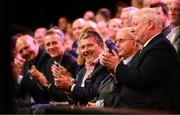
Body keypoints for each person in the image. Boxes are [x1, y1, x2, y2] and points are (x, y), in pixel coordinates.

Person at [99, 8, 178, 110]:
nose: (132, 29)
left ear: (149, 25)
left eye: (135, 24)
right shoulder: (150, 46)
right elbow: (132, 77)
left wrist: (117, 66)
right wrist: (113, 69)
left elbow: (141, 79)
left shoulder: (160, 47)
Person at [86, 27, 140, 108]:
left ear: (135, 43)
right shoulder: (118, 63)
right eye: (116, 41)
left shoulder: (139, 63)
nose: (117, 45)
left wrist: (99, 105)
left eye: (121, 40)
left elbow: (127, 94)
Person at [54, 28, 109, 105]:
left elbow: (94, 94)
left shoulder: (105, 65)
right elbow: (77, 98)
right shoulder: (81, 69)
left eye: (89, 45)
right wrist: (68, 90)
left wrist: (71, 86)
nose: (86, 50)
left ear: (101, 46)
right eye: (83, 47)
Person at [14, 34, 50, 105]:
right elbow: (22, 92)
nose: (24, 52)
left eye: (27, 47)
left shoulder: (48, 58)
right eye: (21, 51)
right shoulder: (26, 63)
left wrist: (19, 78)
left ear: (35, 42)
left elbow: (42, 91)